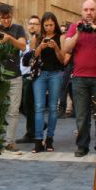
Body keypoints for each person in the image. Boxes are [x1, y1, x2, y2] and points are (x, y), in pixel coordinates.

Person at [63, 0, 96, 157]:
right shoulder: (75, 27)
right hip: (79, 79)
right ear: (81, 12)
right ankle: (82, 146)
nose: (89, 12)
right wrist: (78, 33)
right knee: (82, 115)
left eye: (92, 9)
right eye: (86, 10)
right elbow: (66, 48)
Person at [23, 12, 65, 152]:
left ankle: (50, 139)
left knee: (53, 107)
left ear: (55, 24)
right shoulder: (37, 38)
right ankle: (38, 140)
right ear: (42, 25)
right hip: (40, 75)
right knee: (39, 107)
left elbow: (63, 60)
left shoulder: (61, 38)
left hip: (55, 74)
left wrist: (56, 48)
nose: (48, 28)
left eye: (51, 25)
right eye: (46, 25)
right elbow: (31, 58)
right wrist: (40, 48)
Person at [0, 4, 27, 152]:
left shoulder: (18, 29)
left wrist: (9, 38)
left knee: (13, 111)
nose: (6, 21)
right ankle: (0, 141)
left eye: (8, 18)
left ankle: (10, 141)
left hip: (15, 76)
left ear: (12, 16)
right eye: (3, 18)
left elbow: (22, 46)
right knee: (0, 110)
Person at [19, 15, 41, 142]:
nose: (32, 25)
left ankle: (31, 133)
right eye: (30, 23)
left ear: (39, 26)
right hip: (22, 76)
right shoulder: (26, 42)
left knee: (28, 105)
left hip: (31, 78)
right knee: (22, 105)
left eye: (35, 24)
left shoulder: (37, 41)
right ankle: (37, 124)